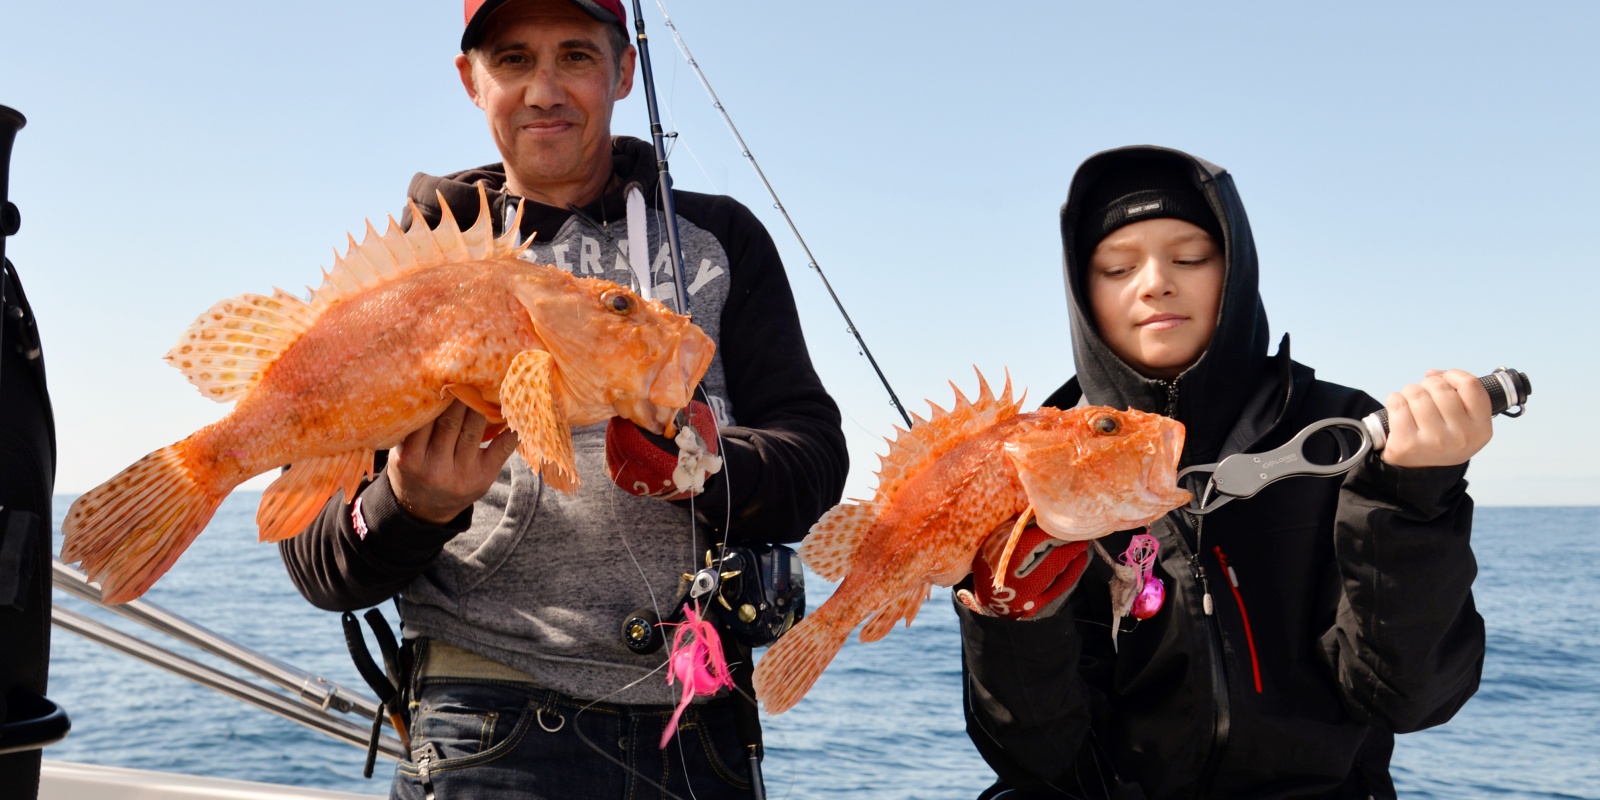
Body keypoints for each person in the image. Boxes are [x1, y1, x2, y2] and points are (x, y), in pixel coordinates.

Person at [277, 2, 847, 798]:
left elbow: (815, 457)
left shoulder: (720, 243)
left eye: (575, 57)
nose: (543, 90)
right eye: (512, 60)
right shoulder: (408, 274)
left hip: (697, 730)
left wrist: (704, 467)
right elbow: (316, 561)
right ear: (472, 81)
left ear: (622, 72)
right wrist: (409, 505)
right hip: (482, 734)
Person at [953, 145, 1490, 799]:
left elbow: (1410, 697)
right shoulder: (1034, 460)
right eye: (1118, 266)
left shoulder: (1344, 434)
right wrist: (1010, 613)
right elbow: (1037, 752)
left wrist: (1413, 494)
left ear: (1235, 271)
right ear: (1082, 292)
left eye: (1190, 258)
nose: (1155, 282)